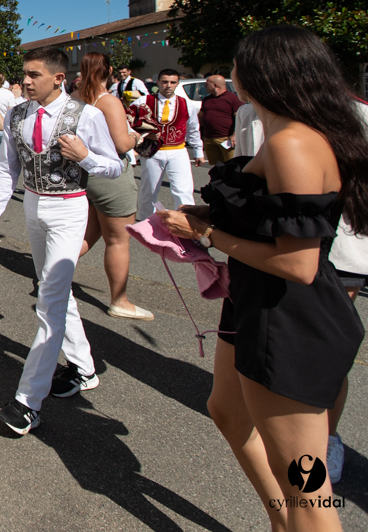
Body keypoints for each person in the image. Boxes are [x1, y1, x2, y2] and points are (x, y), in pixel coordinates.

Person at [156, 26, 368, 530]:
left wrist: (207, 234)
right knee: (229, 412)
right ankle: (282, 521)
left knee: (305, 482)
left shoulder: (295, 141)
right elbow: (270, 215)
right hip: (257, 302)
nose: (230, 74)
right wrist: (208, 213)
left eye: (237, 64)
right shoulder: (288, 133)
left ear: (261, 72)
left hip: (289, 318)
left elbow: (299, 264)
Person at [0, 47, 124, 436]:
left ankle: (27, 403)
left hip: (70, 209)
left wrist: (86, 156)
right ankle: (84, 368)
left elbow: (116, 164)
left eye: (34, 75)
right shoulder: (18, 115)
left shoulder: (87, 115)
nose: (26, 81)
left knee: (50, 303)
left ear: (59, 78)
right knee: (51, 291)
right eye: (25, 74)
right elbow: (7, 172)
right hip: (34, 210)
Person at [74, 53, 153, 320]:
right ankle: (120, 300)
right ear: (108, 71)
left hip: (85, 173)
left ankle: (51, 277)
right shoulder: (108, 101)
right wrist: (135, 135)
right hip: (111, 175)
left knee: (89, 233)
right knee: (118, 240)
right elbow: (121, 145)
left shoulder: (76, 99)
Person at [129, 69, 203, 220]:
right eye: (164, 82)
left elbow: (193, 129)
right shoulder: (144, 101)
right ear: (158, 83)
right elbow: (127, 121)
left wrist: (198, 151)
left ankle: (187, 221)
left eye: (172, 82)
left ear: (177, 84)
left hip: (178, 150)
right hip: (152, 152)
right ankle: (147, 221)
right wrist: (144, 134)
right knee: (149, 190)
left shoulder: (186, 104)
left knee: (183, 190)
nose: (168, 85)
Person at [199, 74, 243, 165]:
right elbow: (200, 118)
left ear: (215, 85)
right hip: (209, 139)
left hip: (226, 139)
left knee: (231, 165)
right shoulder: (206, 99)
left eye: (207, 83)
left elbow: (239, 118)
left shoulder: (232, 98)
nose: (204, 86)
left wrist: (235, 134)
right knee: (217, 167)